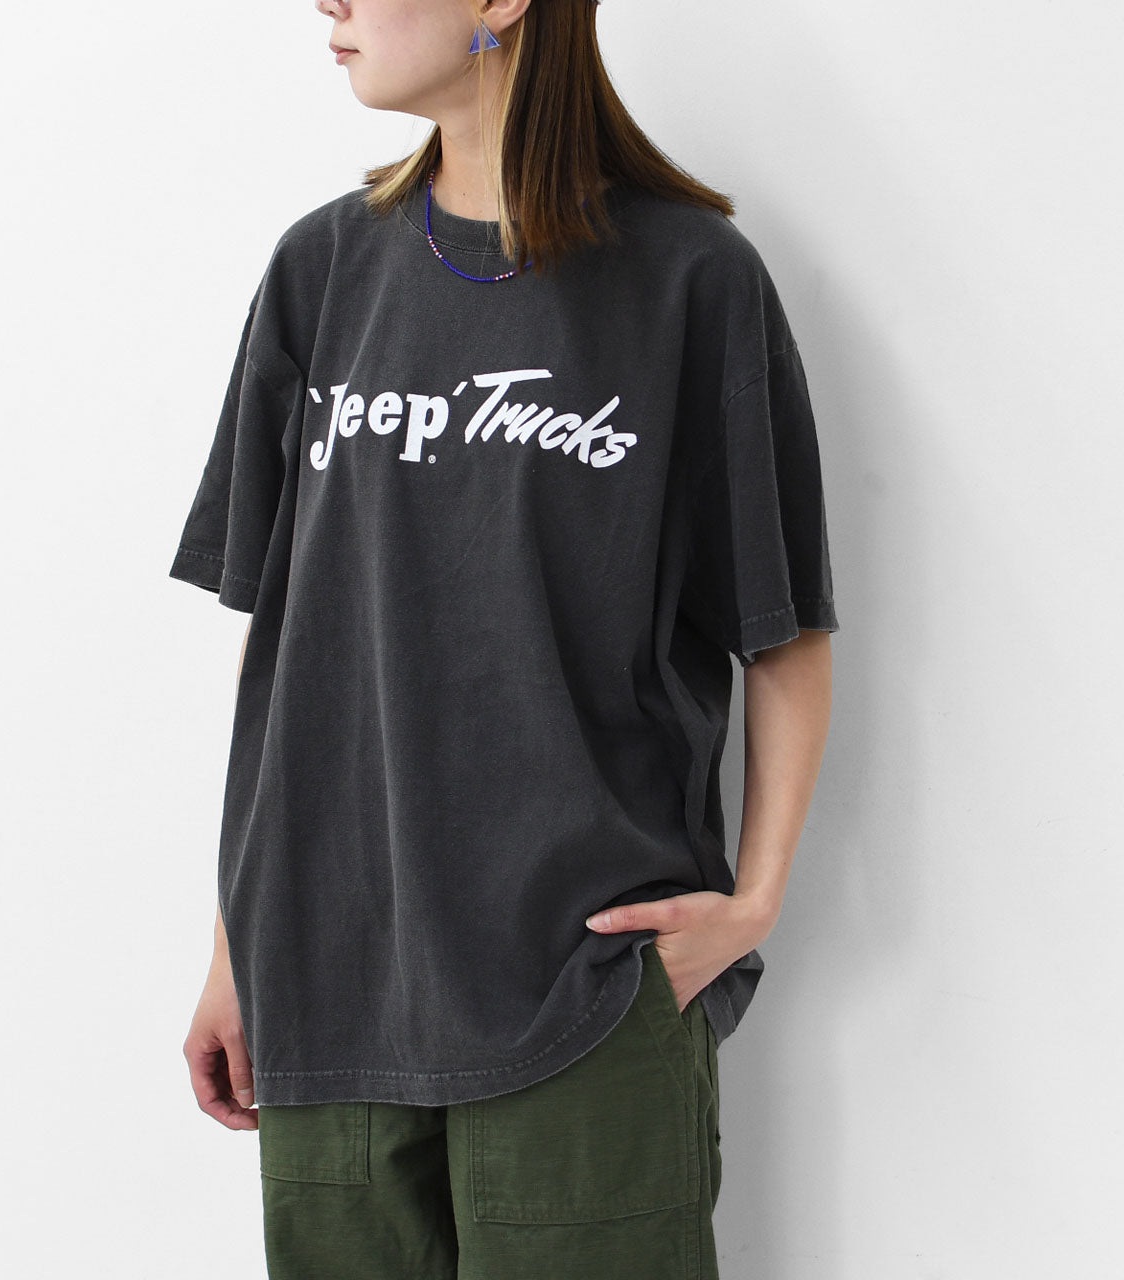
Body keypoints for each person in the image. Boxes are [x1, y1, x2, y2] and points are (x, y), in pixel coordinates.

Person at [171, 1, 839, 1276]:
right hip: (323, 981)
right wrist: (233, 947)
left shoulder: (689, 279)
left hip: (581, 980)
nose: (327, 2)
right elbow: (294, 656)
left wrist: (750, 903)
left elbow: (781, 624)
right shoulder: (321, 272)